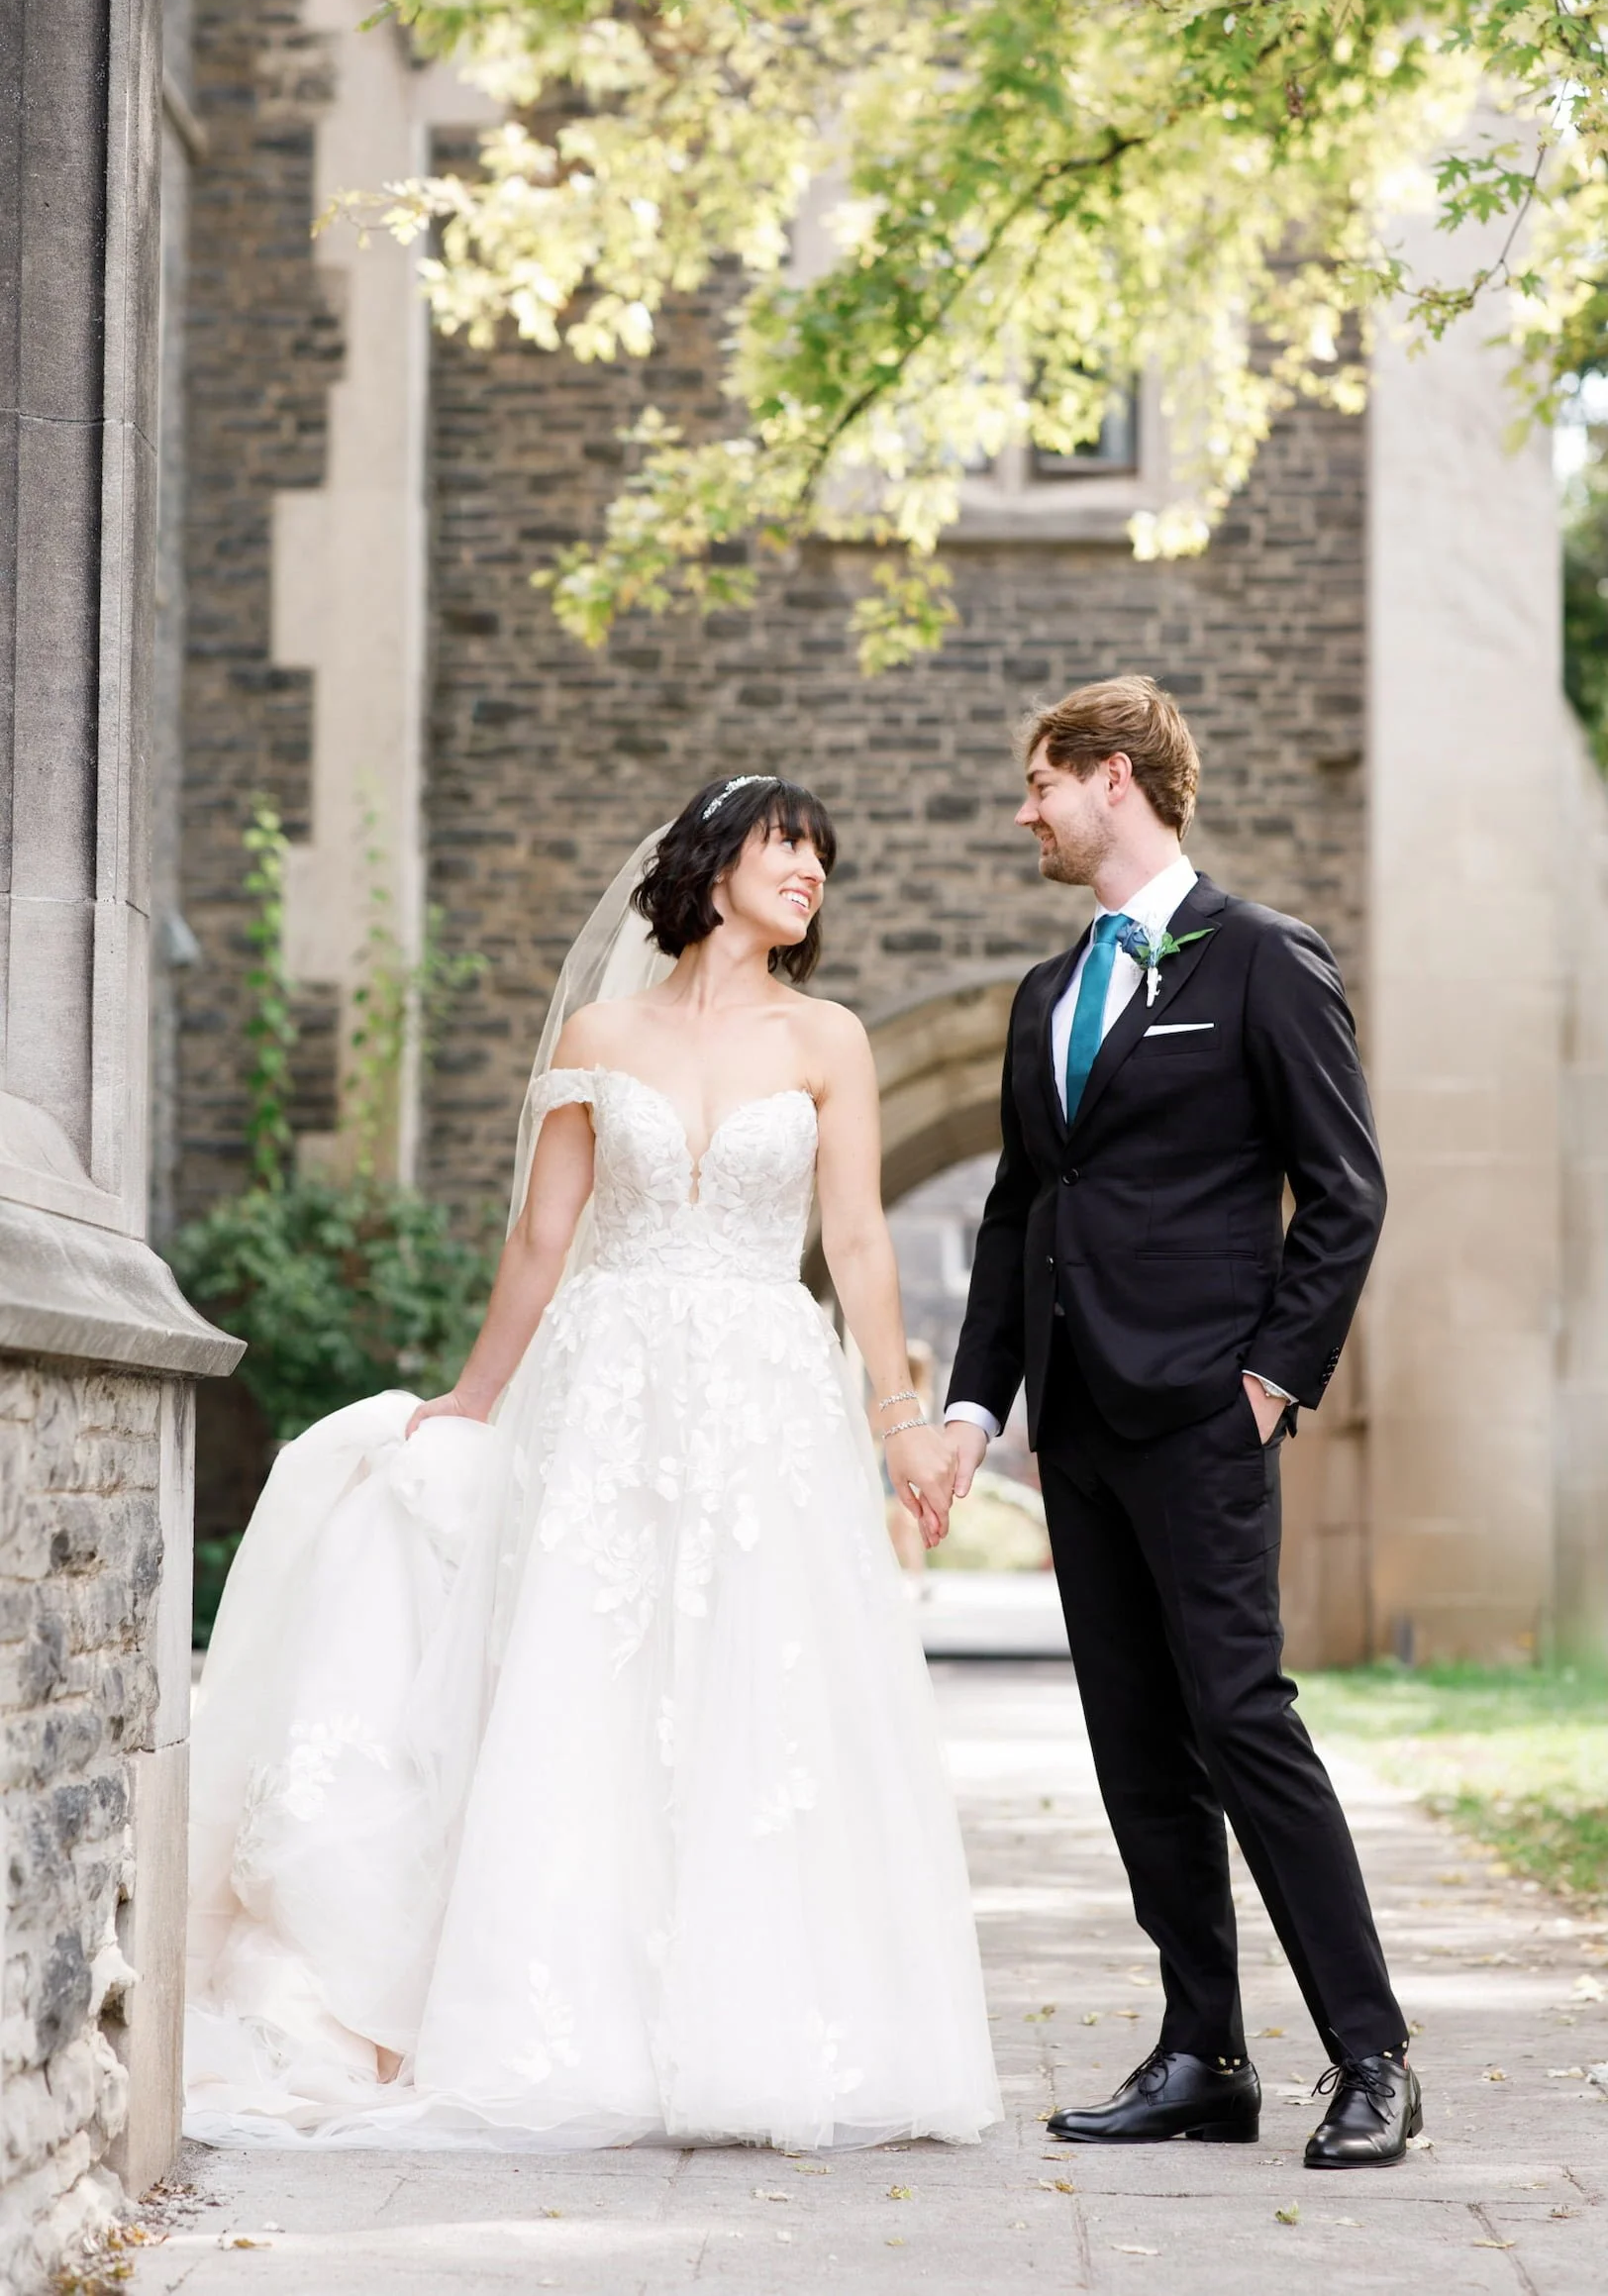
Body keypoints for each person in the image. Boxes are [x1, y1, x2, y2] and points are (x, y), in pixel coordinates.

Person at [184, 774, 1001, 2152]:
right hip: (607, 1387)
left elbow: (858, 1240)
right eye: (784, 846)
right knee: (587, 1679)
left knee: (761, 1680)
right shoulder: (601, 1032)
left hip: (760, 1392)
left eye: (822, 858)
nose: (810, 872)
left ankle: (762, 2022)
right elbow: (540, 1242)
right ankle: (562, 2015)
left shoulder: (831, 1038)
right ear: (711, 865)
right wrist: (470, 1399)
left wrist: (899, 1412)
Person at [944, 676, 1420, 2169]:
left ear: (1111, 778)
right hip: (1076, 1424)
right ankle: (1202, 2051)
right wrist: (975, 1402)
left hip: (1206, 1411)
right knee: (1137, 1742)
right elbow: (1025, 1211)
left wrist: (1271, 1381)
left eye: (1040, 783)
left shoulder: (1267, 959)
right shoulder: (1047, 990)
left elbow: (1345, 1194)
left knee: (1241, 1719)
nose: (1025, 811)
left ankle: (1373, 2056)